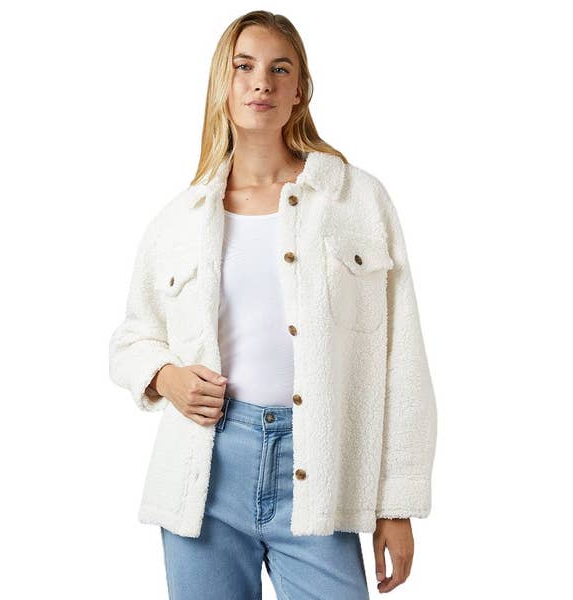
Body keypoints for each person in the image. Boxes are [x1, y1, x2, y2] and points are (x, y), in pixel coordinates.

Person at [108, 10, 437, 599]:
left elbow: (402, 358)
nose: (261, 82)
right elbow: (132, 339)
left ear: (300, 90)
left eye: (279, 69)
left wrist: (397, 504)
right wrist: (165, 377)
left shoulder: (356, 201)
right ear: (224, 83)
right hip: (206, 473)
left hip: (321, 472)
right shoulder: (179, 220)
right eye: (244, 67)